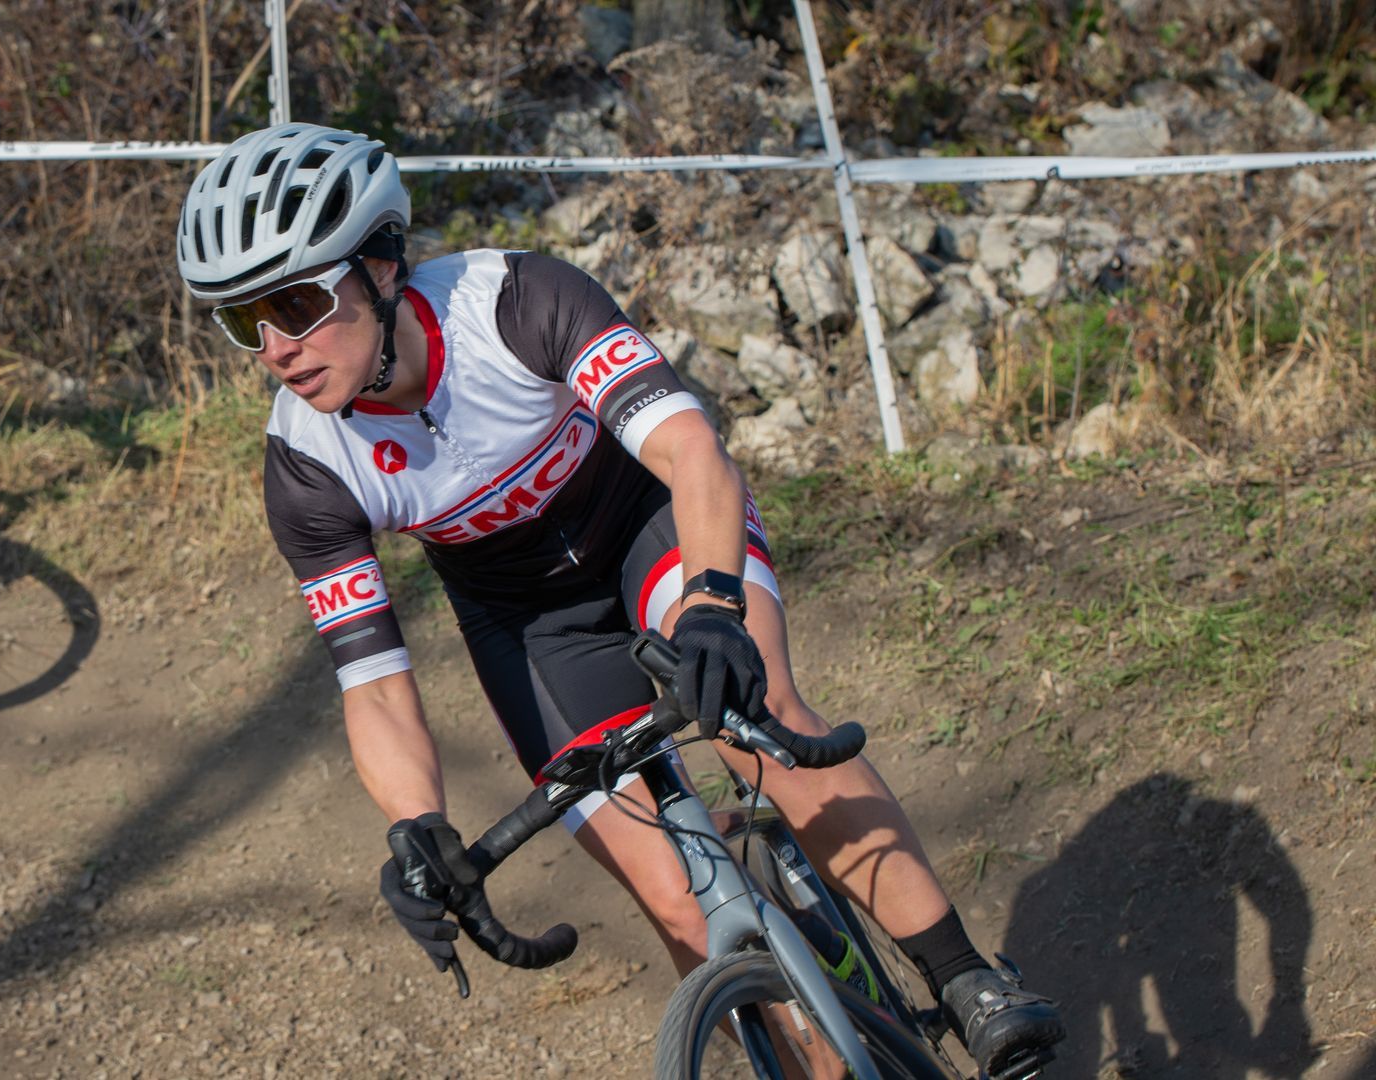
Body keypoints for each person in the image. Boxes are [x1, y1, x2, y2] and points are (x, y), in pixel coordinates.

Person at [175, 123, 1065, 1075]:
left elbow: (691, 451)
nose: (275, 348)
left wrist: (714, 605)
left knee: (757, 719)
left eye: (297, 303)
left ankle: (966, 979)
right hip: (530, 626)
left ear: (383, 265)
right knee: (675, 898)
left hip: (656, 529)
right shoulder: (308, 464)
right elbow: (374, 681)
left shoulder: (514, 303)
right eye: (243, 320)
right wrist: (415, 826)